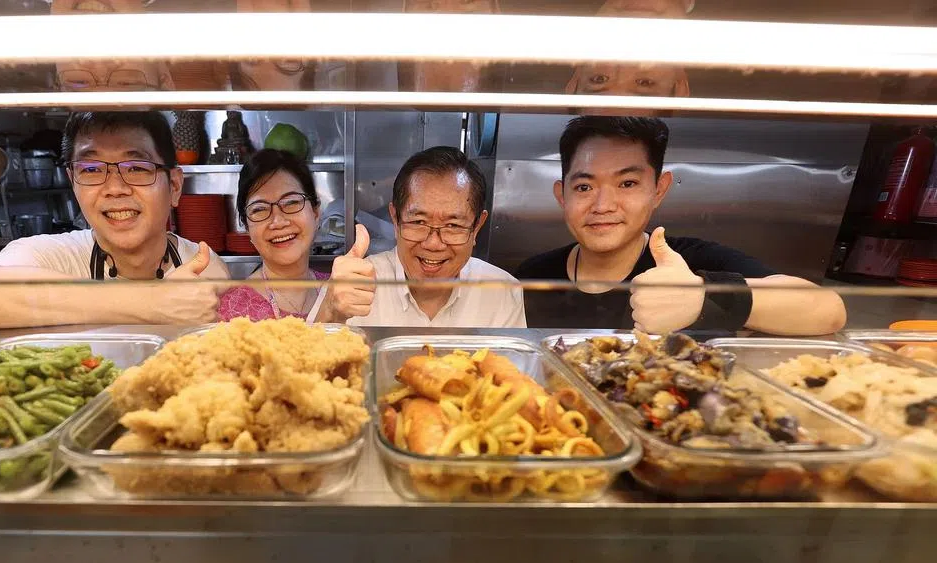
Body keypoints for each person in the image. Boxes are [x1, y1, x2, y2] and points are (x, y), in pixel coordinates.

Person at [517, 116, 846, 335]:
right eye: (584, 187)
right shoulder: (532, 274)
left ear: (658, 190)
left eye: (628, 184)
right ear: (562, 195)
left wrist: (704, 296)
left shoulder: (693, 262)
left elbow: (828, 309)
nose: (603, 206)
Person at [0, 111, 228, 329]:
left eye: (138, 167)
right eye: (91, 169)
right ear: (72, 181)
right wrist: (153, 302)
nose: (115, 188)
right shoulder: (51, 255)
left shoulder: (201, 267)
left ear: (175, 186)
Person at [317, 146, 524, 327]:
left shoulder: (502, 291)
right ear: (395, 220)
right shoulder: (352, 285)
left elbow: (511, 370)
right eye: (418, 222)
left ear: (476, 227)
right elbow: (308, 368)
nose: (433, 243)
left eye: (453, 225)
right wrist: (330, 313)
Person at [218, 149, 327, 321]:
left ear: (315, 212)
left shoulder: (342, 294)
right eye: (260, 209)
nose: (278, 221)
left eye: (291, 202)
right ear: (247, 227)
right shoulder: (231, 311)